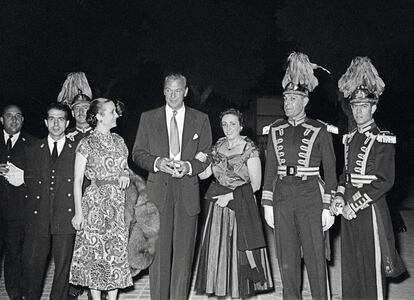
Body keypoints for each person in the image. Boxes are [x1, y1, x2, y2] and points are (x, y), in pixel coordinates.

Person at [261, 52, 337, 300]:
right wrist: (267, 202)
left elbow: (331, 170)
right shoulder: (275, 130)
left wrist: (329, 205)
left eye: (293, 98)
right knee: (286, 258)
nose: (287, 103)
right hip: (282, 195)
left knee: (316, 258)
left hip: (310, 196)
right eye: (285, 98)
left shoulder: (320, 129)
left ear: (305, 101)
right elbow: (270, 168)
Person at [132, 73, 212, 299]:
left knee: (184, 254)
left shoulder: (201, 119)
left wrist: (189, 166)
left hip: (187, 192)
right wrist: (157, 163)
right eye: (169, 90)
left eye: (178, 90)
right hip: (158, 193)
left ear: (186, 91)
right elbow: (137, 153)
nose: (173, 95)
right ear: (163, 90)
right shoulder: (149, 118)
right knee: (158, 254)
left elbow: (207, 153)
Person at [332, 56, 406, 299]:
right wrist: (339, 198)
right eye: (355, 106)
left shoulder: (382, 138)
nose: (359, 111)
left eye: (364, 106)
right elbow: (345, 175)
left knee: (371, 268)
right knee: (351, 267)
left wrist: (355, 203)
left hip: (370, 207)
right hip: (347, 209)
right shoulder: (349, 138)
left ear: (373, 108)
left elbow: (385, 180)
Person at [194, 108, 273, 298]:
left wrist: (229, 197)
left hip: (240, 204)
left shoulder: (250, 148)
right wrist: (197, 160)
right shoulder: (218, 146)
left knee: (241, 250)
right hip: (219, 207)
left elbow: (256, 184)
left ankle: (240, 290)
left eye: (232, 124)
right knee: (218, 250)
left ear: (241, 125)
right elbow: (205, 174)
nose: (228, 128)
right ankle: (221, 289)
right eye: (224, 124)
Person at [6, 102, 76, 300]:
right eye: (52, 119)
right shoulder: (32, 149)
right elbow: (21, 182)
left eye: (60, 119)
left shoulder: (77, 150)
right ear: (45, 122)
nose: (56, 123)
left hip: (66, 217)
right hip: (37, 218)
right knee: (32, 268)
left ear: (67, 123)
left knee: (63, 271)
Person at [69, 98, 133, 300]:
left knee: (115, 254)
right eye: (111, 112)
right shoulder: (86, 143)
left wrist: (125, 173)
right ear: (98, 116)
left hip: (117, 204)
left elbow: (124, 167)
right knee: (95, 254)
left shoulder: (119, 141)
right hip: (95, 205)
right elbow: (78, 180)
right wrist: (79, 212)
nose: (116, 115)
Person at [0, 105, 34, 300]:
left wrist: (24, 176)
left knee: (15, 256)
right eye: (9, 116)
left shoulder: (32, 143)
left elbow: (40, 176)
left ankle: (15, 294)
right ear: (1, 120)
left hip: (18, 212)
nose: (13, 120)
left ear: (23, 120)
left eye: (18, 116)